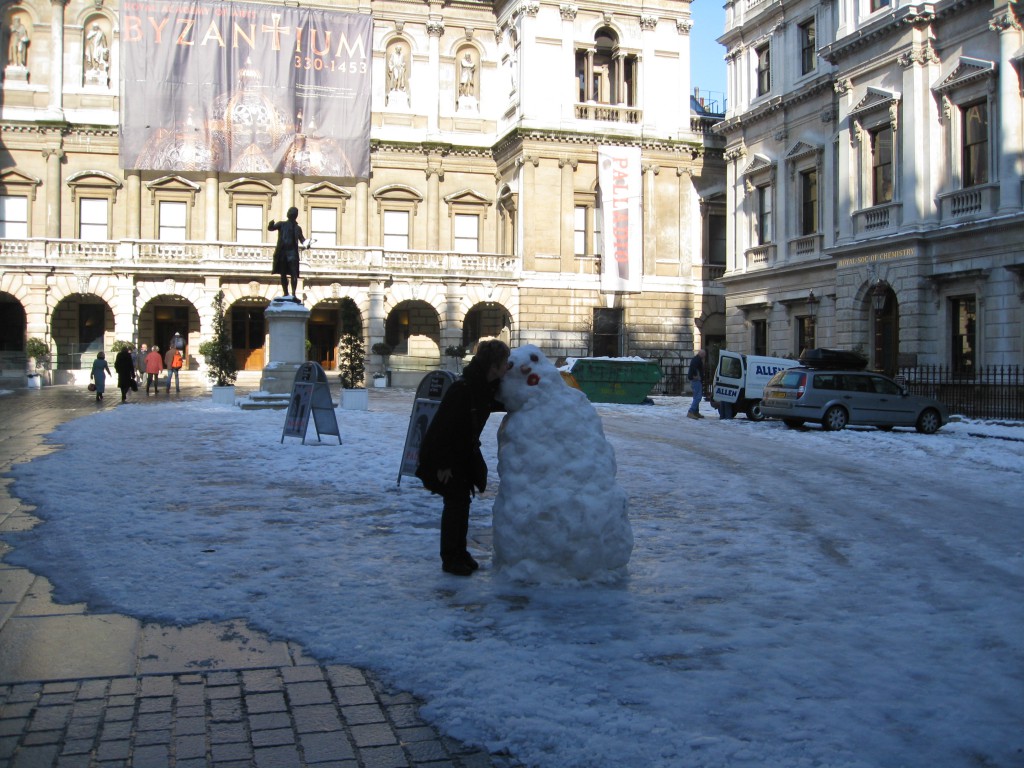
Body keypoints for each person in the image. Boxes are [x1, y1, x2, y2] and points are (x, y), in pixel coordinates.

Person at [416, 340, 511, 576]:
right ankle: (450, 557)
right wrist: (443, 465)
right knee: (455, 504)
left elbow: (499, 402)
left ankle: (460, 552)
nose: (507, 367)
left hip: (463, 453)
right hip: (447, 455)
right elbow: (443, 429)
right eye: (504, 363)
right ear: (494, 366)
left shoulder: (484, 387)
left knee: (462, 503)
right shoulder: (464, 389)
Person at [268, 207, 305, 299]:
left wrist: (307, 243)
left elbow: (302, 239)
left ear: (295, 215)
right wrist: (270, 224)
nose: (289, 213)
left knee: (294, 274)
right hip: (283, 252)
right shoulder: (282, 224)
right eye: (289, 211)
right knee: (283, 273)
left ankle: (293, 293)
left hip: (292, 253)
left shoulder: (297, 228)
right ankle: (286, 293)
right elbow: (271, 228)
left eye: (291, 212)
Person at [687, 348, 707, 420]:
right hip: (696, 380)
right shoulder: (697, 360)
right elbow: (694, 368)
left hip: (695, 380)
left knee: (696, 396)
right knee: (698, 397)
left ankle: (696, 412)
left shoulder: (696, 359)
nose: (704, 356)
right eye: (704, 355)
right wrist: (696, 376)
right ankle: (691, 411)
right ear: (701, 354)